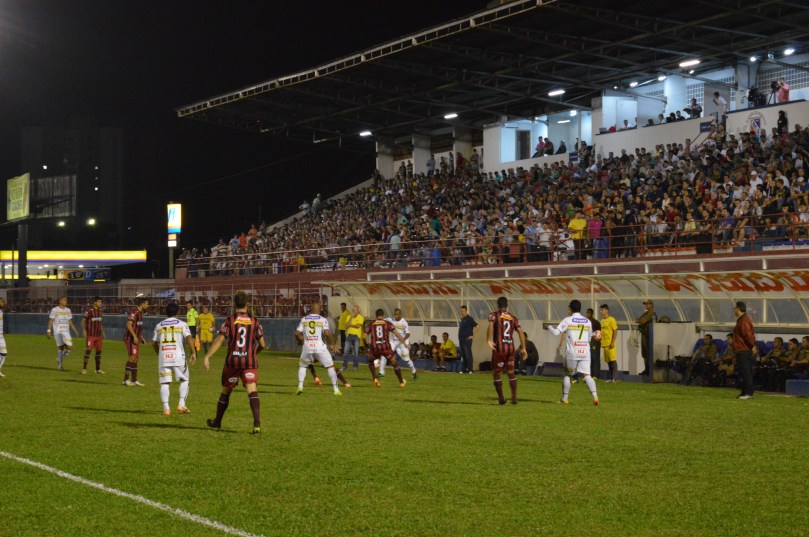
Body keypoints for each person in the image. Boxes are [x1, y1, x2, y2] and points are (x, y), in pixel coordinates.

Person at [203, 291, 265, 434]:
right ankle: (257, 424)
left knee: (226, 391)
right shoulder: (255, 321)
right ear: (248, 305)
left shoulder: (230, 320)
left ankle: (217, 422)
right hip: (249, 362)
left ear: (233, 304)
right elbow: (262, 344)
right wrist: (252, 354)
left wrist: (207, 357)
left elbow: (220, 340)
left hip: (233, 362)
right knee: (252, 390)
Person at [547, 300, 599, 405]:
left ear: (570, 309)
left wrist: (549, 327)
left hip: (572, 352)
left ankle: (564, 398)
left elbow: (556, 333)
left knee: (567, 375)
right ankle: (595, 396)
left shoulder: (568, 320)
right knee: (587, 375)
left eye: (568, 308)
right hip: (585, 352)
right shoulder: (587, 321)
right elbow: (589, 338)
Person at [152, 302, 196, 416]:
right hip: (178, 356)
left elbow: (153, 343)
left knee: (165, 383)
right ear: (177, 312)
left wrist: (159, 353)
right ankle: (181, 404)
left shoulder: (159, 325)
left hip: (163, 357)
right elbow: (189, 338)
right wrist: (193, 352)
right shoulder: (182, 324)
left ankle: (166, 408)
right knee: (185, 380)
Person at [294, 303, 343, 396]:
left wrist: (302, 340)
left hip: (307, 347)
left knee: (303, 366)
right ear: (319, 310)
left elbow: (296, 333)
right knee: (330, 366)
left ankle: (300, 387)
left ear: (311, 310)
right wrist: (331, 344)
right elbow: (327, 333)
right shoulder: (322, 319)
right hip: (320, 347)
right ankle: (336, 389)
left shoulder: (304, 319)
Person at [487, 296, 527, 405]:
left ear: (497, 306)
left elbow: (490, 325)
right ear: (507, 306)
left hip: (500, 348)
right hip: (511, 348)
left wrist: (489, 339)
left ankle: (501, 398)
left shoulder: (494, 315)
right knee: (511, 372)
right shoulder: (513, 318)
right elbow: (520, 332)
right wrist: (523, 347)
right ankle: (514, 397)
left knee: (496, 372)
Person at [365, 309, 410, 388]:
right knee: (394, 363)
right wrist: (405, 343)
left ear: (376, 315)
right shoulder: (388, 324)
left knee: (370, 361)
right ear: (383, 316)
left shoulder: (371, 324)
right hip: (386, 348)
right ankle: (401, 382)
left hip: (375, 348)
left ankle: (375, 378)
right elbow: (398, 335)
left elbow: (363, 337)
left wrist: (367, 347)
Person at [382, 308, 417, 380]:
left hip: (402, 342)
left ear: (400, 314)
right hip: (393, 341)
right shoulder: (391, 319)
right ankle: (381, 372)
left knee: (407, 360)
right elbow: (381, 320)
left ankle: (414, 371)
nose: (396, 316)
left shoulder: (404, 322)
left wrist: (403, 341)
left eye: (397, 314)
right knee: (385, 353)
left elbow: (408, 334)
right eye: (395, 314)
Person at [47, 296, 80, 371]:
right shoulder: (55, 310)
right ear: (60, 301)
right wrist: (48, 331)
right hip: (58, 332)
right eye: (64, 300)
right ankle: (60, 365)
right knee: (61, 348)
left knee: (69, 347)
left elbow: (70, 321)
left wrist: (75, 330)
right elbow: (51, 320)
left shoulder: (68, 310)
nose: (66, 302)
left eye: (66, 300)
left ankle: (59, 358)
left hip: (66, 332)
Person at [122, 298, 149, 386]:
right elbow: (129, 325)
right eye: (147, 304)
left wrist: (141, 337)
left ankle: (134, 380)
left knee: (136, 358)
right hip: (130, 338)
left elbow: (137, 327)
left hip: (136, 338)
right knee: (132, 357)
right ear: (142, 304)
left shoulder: (141, 313)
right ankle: (126, 380)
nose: (148, 306)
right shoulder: (134, 312)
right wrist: (134, 336)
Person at [732, 301, 757, 399]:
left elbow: (748, 335)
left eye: (734, 308)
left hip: (744, 350)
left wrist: (752, 346)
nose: (734, 310)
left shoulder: (744, 321)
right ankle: (744, 392)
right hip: (741, 350)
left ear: (738, 309)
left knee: (746, 372)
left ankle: (749, 393)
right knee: (743, 372)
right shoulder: (741, 320)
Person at [81, 296, 105, 375]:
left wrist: (102, 332)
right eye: (99, 302)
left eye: (101, 302)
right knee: (88, 350)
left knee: (99, 351)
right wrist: (84, 331)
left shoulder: (100, 311)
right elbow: (83, 321)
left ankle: (97, 369)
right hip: (91, 335)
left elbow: (100, 322)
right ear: (95, 302)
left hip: (98, 335)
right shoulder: (89, 310)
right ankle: (84, 368)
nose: (100, 303)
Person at [635, 299, 656, 376]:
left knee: (648, 353)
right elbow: (637, 320)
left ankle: (649, 370)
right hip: (645, 334)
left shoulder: (652, 314)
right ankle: (647, 369)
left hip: (649, 336)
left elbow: (642, 321)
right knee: (644, 353)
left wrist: (640, 320)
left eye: (647, 304)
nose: (646, 306)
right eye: (645, 304)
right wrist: (640, 320)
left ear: (651, 305)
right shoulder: (646, 313)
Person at [599, 304, 619, 382]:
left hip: (610, 344)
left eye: (602, 310)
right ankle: (611, 378)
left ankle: (614, 378)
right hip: (604, 344)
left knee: (613, 360)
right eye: (601, 310)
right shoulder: (602, 321)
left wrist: (613, 342)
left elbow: (615, 330)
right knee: (608, 361)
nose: (601, 311)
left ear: (606, 310)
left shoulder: (611, 320)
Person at [458, 305, 478, 374]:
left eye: (463, 311)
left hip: (467, 339)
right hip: (461, 339)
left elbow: (477, 326)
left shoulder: (469, 319)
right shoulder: (462, 319)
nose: (462, 312)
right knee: (463, 355)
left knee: (468, 354)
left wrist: (472, 335)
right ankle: (463, 369)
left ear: (466, 311)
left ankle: (470, 369)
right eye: (461, 311)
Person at [342, 305, 364, 371]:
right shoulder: (349, 317)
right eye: (353, 310)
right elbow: (346, 326)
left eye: (355, 310)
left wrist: (350, 325)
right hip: (349, 336)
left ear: (358, 311)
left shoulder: (361, 317)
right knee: (346, 352)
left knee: (356, 353)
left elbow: (358, 326)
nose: (354, 311)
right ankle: (345, 366)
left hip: (356, 336)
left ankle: (355, 367)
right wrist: (351, 318)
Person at [585, 308, 602, 379]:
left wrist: (595, 343)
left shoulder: (596, 323)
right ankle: (590, 374)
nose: (587, 314)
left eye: (589, 313)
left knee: (595, 359)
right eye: (587, 313)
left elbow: (598, 334)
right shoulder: (586, 322)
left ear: (592, 313)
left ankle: (596, 375)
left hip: (595, 343)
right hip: (588, 343)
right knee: (589, 359)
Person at [0, 298, 7, 378]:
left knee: (4, 353)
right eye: (2, 302)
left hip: (1, 336)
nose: (3, 303)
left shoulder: (1, 312)